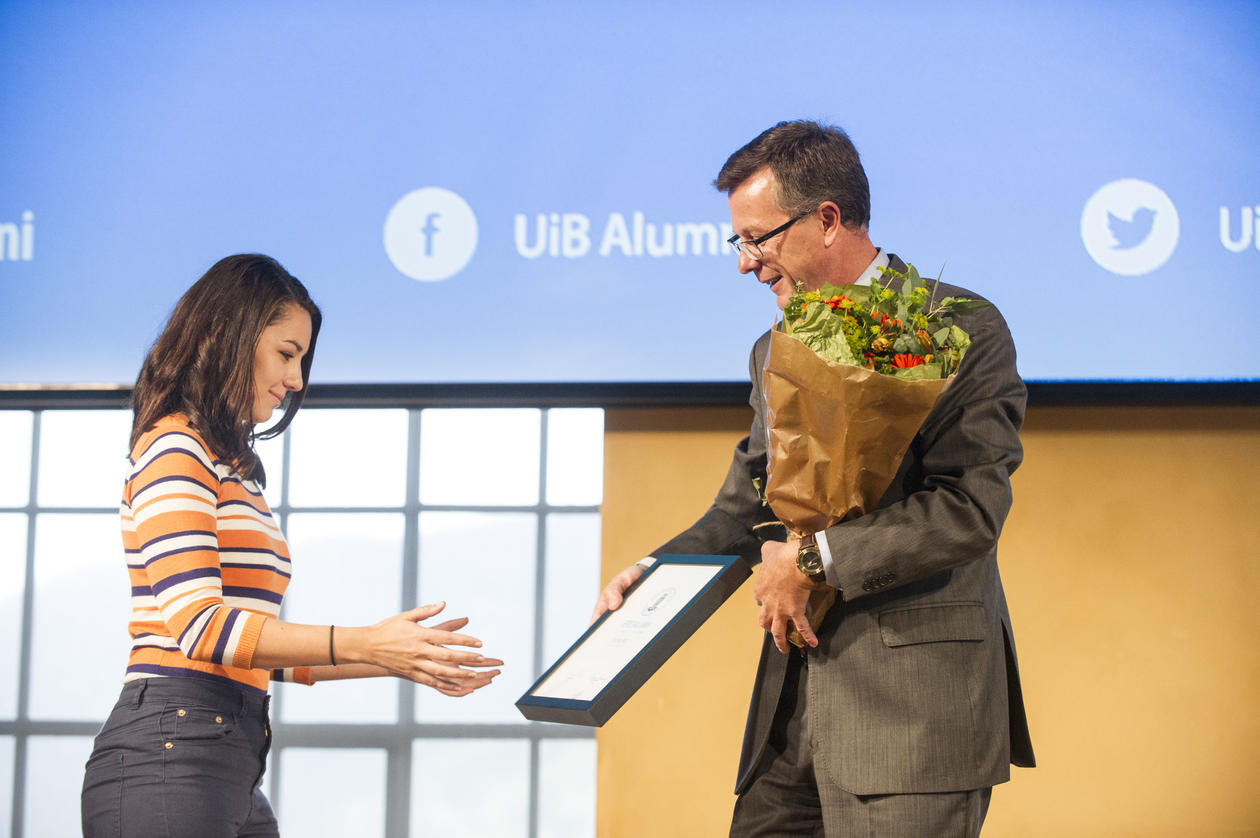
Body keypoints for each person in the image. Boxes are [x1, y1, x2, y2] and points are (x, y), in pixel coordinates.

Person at [592, 121, 1035, 837]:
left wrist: (812, 560)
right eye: (738, 242)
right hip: (788, 719)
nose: (746, 263)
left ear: (826, 219)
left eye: (756, 238)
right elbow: (747, 506)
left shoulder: (956, 325)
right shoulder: (771, 347)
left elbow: (967, 509)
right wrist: (658, 573)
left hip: (913, 720)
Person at [81, 254, 503, 837]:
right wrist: (366, 641)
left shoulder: (227, 466)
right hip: (170, 752)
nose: (297, 379)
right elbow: (203, 630)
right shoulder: (176, 448)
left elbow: (249, 652)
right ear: (225, 336)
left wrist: (394, 656)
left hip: (222, 757)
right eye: (286, 353)